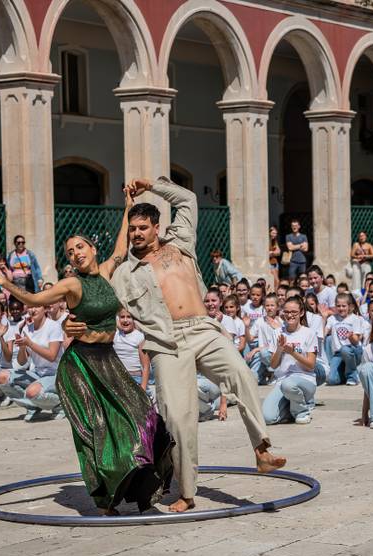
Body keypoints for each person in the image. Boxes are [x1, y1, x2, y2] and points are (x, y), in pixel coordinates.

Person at [64, 176, 284, 514]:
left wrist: (150, 186)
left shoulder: (180, 243)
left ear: (156, 227)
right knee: (179, 417)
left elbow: (188, 200)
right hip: (166, 343)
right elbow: (95, 300)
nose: (136, 233)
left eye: (142, 227)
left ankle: (262, 450)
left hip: (204, 330)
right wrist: (71, 321)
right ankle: (186, 491)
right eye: (132, 228)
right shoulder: (125, 273)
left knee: (242, 373)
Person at [0, 190, 173, 515]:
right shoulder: (71, 285)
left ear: (92, 249)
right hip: (80, 366)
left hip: (109, 361)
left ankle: (141, 485)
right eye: (70, 252)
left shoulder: (111, 270)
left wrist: (128, 205)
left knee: (144, 415)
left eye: (80, 247)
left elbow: (122, 244)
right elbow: (32, 300)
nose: (75, 254)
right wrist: (6, 283)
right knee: (97, 432)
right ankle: (104, 501)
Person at [262, 295, 318, 424]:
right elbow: (273, 365)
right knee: (268, 418)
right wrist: (280, 349)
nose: (290, 315)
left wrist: (293, 353)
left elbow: (310, 365)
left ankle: (302, 411)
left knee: (289, 384)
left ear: (301, 313)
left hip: (305, 379)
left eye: (294, 312)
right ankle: (292, 408)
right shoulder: (277, 332)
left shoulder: (309, 333)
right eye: (286, 312)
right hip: (282, 382)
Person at [6, 304, 65, 421]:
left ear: (46, 309)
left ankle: (61, 404)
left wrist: (30, 344)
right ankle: (33, 406)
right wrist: (22, 348)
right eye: (30, 306)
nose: (33, 310)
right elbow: (22, 362)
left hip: (56, 374)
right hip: (37, 373)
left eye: (37, 306)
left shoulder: (53, 326)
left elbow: (52, 356)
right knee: (4, 377)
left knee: (32, 392)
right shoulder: (27, 329)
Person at [113, 308, 151, 394]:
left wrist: (143, 388)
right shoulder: (115, 335)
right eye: (122, 317)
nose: (125, 320)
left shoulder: (139, 337)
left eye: (129, 317)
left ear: (134, 319)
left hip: (135, 378)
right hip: (118, 377)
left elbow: (146, 366)